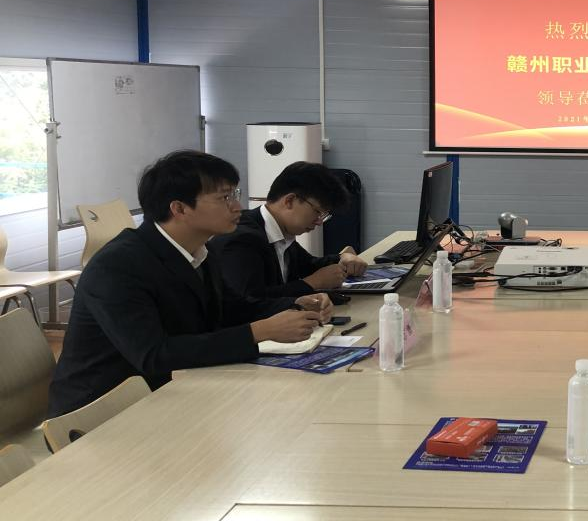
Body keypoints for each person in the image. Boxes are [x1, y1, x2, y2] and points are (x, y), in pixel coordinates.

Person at [48, 150, 332, 418]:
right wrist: (259, 331)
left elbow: (230, 309)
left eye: (235, 194)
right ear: (180, 208)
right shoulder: (118, 266)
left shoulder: (198, 251)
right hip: (104, 412)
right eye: (224, 197)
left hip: (174, 390)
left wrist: (294, 304)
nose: (237, 206)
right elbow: (153, 355)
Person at [211, 161, 367, 298]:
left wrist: (343, 259)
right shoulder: (241, 239)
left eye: (324, 215)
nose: (319, 222)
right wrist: (312, 283)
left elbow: (308, 265)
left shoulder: (280, 232)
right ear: (289, 201)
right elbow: (251, 301)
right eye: (317, 212)